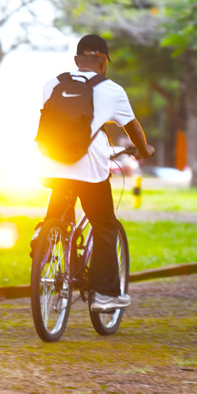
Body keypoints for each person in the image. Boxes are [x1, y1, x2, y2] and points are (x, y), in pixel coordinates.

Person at [36, 34, 154, 311]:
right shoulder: (112, 90)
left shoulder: (52, 84)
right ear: (103, 62)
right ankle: (104, 295)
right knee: (104, 224)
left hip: (52, 166)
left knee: (57, 218)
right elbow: (132, 127)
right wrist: (144, 148)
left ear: (76, 60)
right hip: (89, 170)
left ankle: (44, 244)